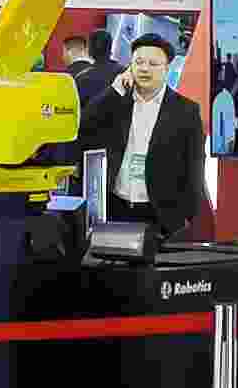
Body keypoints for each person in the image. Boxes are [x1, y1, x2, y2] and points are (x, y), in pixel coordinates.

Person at [80, 31, 207, 239]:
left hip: (160, 215)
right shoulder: (117, 101)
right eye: (138, 62)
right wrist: (115, 89)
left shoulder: (185, 110)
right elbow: (84, 124)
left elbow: (194, 167)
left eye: (153, 63)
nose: (145, 69)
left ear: (166, 68)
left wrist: (187, 217)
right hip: (116, 208)